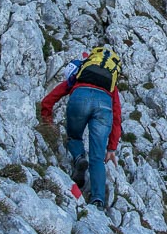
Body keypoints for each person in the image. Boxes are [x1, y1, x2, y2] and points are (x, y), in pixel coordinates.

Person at [40, 47, 122, 209]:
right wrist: (112, 147)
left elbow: (53, 96)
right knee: (98, 158)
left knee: (74, 136)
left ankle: (79, 158)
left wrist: (46, 116)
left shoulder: (80, 73)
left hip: (80, 97)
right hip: (104, 103)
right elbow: (117, 116)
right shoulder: (110, 83)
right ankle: (97, 199)